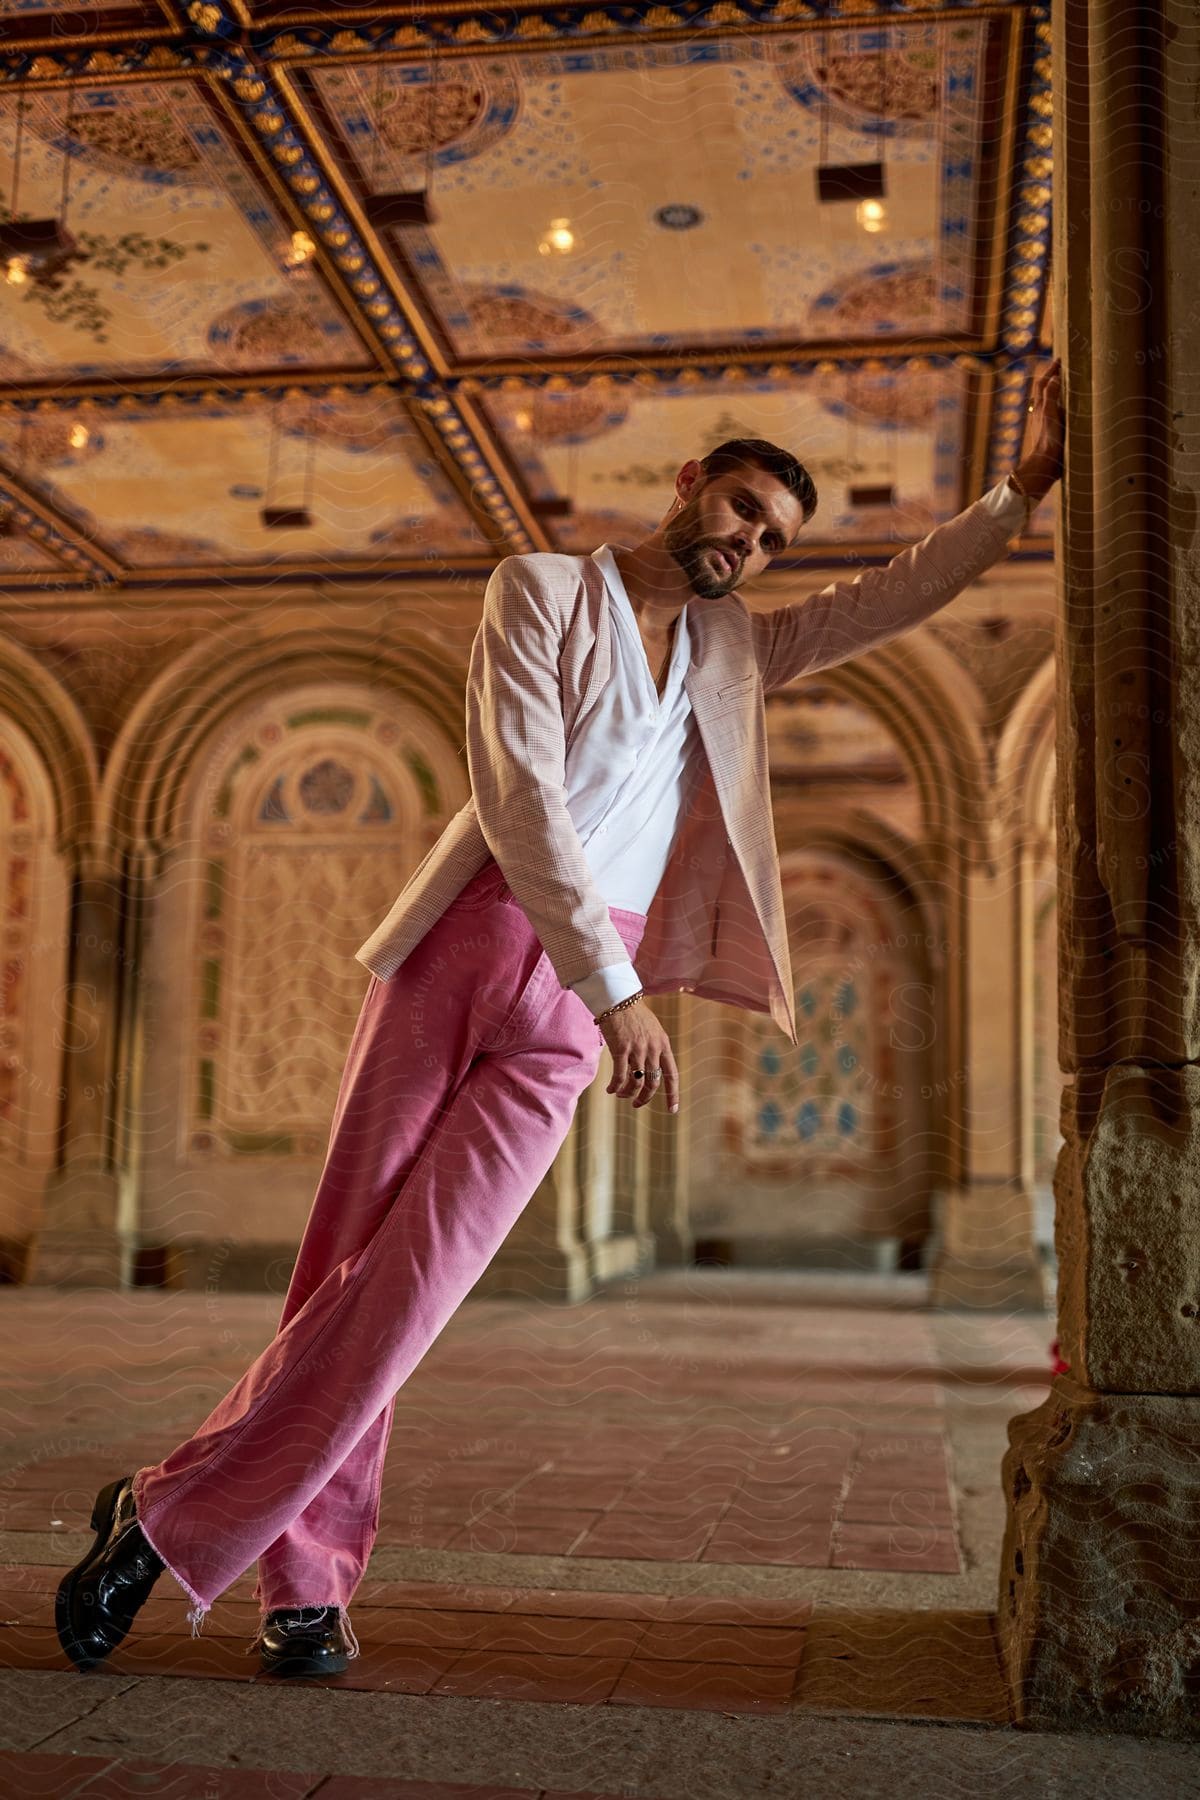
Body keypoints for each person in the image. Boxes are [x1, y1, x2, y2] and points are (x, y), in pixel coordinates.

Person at [55, 360, 1065, 1677]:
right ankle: (304, 1588)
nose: (749, 545)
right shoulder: (538, 590)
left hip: (588, 1000)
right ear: (690, 484)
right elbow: (521, 794)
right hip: (478, 935)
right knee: (343, 1268)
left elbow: (892, 596)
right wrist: (617, 992)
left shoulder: (734, 653)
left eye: (773, 540)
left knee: (412, 1292)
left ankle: (162, 1514)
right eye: (744, 508)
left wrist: (1024, 490)